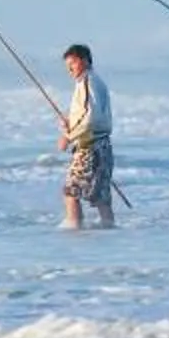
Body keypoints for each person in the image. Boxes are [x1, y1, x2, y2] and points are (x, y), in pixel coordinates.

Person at [58, 43, 115, 229]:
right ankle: (109, 233)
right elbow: (88, 113)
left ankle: (75, 235)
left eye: (72, 64)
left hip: (89, 147)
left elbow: (90, 118)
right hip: (102, 146)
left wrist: (68, 136)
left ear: (83, 61)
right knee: (101, 197)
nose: (69, 69)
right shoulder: (95, 81)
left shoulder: (86, 82)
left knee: (71, 193)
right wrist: (70, 120)